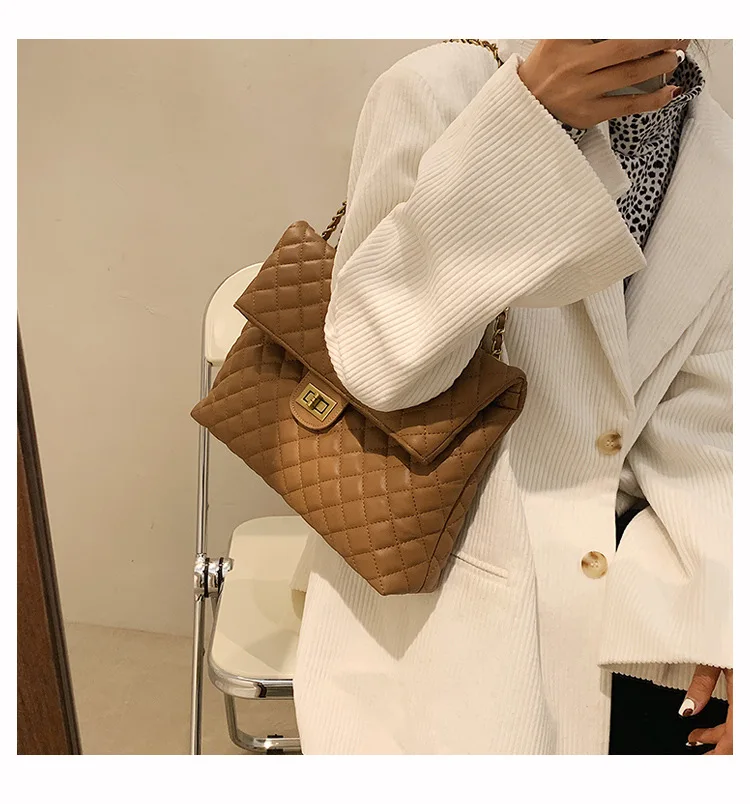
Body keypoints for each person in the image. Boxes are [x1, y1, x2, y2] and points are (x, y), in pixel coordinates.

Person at [289, 38, 733, 755]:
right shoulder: (437, 87)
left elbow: (712, 422)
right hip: (441, 588)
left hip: (643, 608)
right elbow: (376, 368)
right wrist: (531, 123)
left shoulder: (718, 150)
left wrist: (723, 615)